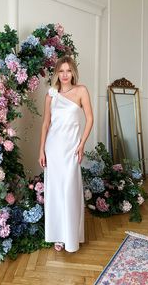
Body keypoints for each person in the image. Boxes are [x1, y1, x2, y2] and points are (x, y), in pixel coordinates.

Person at [38, 55, 93, 252]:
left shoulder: (81, 91)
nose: (65, 75)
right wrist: (41, 150)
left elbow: (90, 119)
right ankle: (58, 236)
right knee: (55, 193)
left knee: (70, 191)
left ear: (73, 72)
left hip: (71, 149)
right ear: (56, 73)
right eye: (61, 71)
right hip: (53, 149)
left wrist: (82, 144)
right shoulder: (51, 95)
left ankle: (71, 236)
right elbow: (46, 124)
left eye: (68, 70)